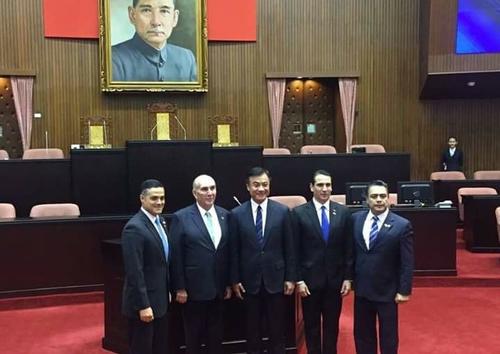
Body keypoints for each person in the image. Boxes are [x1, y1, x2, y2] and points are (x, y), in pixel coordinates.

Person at [230, 166, 296, 354]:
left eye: (265, 185)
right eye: (256, 185)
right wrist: (235, 280)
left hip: (276, 280)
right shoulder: (236, 214)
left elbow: (289, 248)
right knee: (252, 331)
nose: (261, 189)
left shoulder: (283, 212)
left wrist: (290, 277)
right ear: (248, 187)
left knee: (277, 330)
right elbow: (234, 250)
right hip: (249, 282)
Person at [292, 170, 353, 354]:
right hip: (309, 282)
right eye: (320, 185)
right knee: (311, 327)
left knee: (332, 326)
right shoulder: (298, 213)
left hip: (335, 281)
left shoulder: (343, 212)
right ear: (312, 187)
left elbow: (348, 249)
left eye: (328, 185)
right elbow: (294, 250)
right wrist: (299, 280)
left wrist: (348, 278)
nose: (325, 189)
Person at [170, 174, 231, 354]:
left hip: (219, 289)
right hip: (193, 290)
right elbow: (176, 256)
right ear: (195, 193)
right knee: (193, 338)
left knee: (216, 337)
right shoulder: (181, 217)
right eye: (205, 189)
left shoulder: (225, 215)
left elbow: (227, 252)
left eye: (212, 188)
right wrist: (180, 287)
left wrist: (228, 282)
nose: (210, 193)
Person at [351, 180, 414, 354]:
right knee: (362, 335)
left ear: (388, 199)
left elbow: (407, 261)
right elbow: (351, 253)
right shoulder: (355, 219)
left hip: (388, 291)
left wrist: (404, 290)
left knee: (388, 338)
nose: (379, 200)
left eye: (382, 196)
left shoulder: (402, 225)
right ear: (367, 199)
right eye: (374, 196)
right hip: (362, 290)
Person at [121, 179, 171, 354]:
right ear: (142, 199)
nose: (159, 202)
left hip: (160, 301)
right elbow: (134, 271)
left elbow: (162, 262)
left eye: (162, 198)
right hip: (144, 305)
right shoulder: (134, 228)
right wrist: (143, 305)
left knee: (159, 347)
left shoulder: (161, 221)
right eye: (154, 198)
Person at [112, 0, 197, 82]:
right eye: (146, 10)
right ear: (132, 15)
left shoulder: (186, 58)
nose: (156, 22)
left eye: (164, 11)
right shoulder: (113, 59)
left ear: (175, 17)